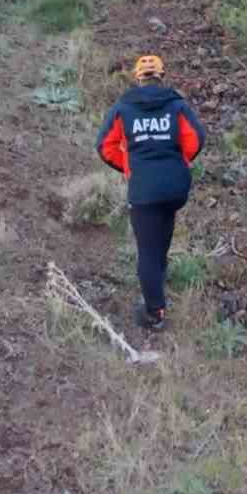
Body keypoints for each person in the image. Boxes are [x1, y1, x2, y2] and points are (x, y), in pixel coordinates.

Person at [95, 55, 207, 331]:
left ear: (137, 77)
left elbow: (104, 146)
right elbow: (197, 138)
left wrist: (129, 168)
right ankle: (158, 283)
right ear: (161, 76)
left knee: (147, 250)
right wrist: (179, 162)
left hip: (144, 189)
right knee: (161, 238)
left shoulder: (123, 108)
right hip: (175, 188)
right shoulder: (176, 104)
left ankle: (154, 313)